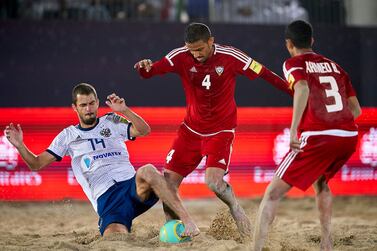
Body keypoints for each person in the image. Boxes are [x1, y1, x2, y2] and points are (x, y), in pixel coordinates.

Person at [134, 22, 292, 237]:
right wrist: (144, 68)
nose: (196, 55)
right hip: (189, 131)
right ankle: (174, 231)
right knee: (168, 184)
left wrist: (294, 92)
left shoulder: (231, 56)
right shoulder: (180, 56)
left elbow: (265, 73)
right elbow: (151, 71)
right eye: (192, 50)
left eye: (200, 49)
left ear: (211, 41)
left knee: (214, 183)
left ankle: (235, 208)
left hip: (221, 132)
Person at [3, 83, 199, 237]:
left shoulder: (112, 120)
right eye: (83, 105)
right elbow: (36, 164)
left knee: (148, 170)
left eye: (91, 103)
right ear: (74, 107)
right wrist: (20, 145)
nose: (88, 109)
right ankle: (120, 228)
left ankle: (187, 221)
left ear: (97, 102)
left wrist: (125, 110)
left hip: (132, 189)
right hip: (107, 201)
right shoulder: (67, 136)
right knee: (116, 240)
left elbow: (144, 131)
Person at [253, 20, 361, 251]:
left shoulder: (293, 62)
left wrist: (294, 130)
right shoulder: (336, 66)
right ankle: (326, 242)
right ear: (312, 40)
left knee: (272, 194)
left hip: (318, 136)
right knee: (321, 182)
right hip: (348, 135)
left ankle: (256, 248)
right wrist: (338, 126)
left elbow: (301, 88)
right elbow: (357, 110)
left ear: (288, 44)